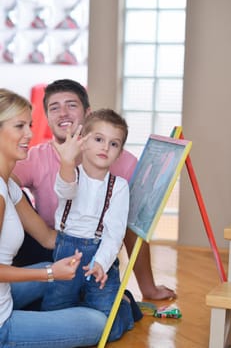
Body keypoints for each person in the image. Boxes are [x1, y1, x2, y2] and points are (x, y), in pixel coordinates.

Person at [12, 78, 176, 300]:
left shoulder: (123, 162)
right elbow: (5, 183)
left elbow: (132, 229)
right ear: (48, 118)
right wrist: (46, 236)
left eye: (71, 105)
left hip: (96, 250)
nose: (63, 113)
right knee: (11, 190)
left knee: (119, 306)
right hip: (50, 247)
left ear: (88, 113)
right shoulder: (36, 157)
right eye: (54, 108)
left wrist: (149, 288)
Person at [0, 88, 107, 348]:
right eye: (19, 126)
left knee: (51, 270)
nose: (29, 134)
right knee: (97, 323)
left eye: (30, 125)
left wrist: (98, 250)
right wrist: (50, 273)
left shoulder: (9, 186)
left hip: (4, 295)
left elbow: (49, 238)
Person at [41, 109, 142, 341]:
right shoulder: (70, 174)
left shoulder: (119, 187)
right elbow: (65, 189)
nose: (105, 147)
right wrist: (67, 160)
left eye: (113, 143)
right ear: (82, 142)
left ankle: (125, 306)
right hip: (66, 254)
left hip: (99, 257)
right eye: (98, 139)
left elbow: (114, 234)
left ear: (119, 154)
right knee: (51, 313)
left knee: (109, 330)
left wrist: (100, 263)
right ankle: (80, 310)